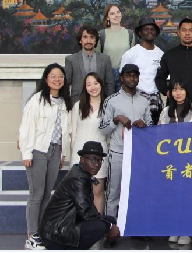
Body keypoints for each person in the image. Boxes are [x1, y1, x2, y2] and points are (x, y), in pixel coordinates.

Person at [18, 63, 72, 250]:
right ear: (46, 78)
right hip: (38, 150)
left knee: (48, 194)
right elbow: (26, 128)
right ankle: (31, 236)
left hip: (56, 151)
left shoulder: (64, 102)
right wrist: (27, 153)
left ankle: (40, 233)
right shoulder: (37, 100)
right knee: (37, 194)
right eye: (53, 76)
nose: (57, 79)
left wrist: (63, 154)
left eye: (61, 76)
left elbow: (65, 131)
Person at [38, 141, 120, 250]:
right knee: (100, 227)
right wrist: (109, 227)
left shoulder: (82, 174)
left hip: (68, 222)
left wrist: (109, 224)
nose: (97, 164)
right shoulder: (78, 179)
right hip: (55, 233)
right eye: (93, 159)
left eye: (100, 160)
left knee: (110, 220)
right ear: (82, 159)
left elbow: (88, 208)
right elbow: (86, 212)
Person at [99, 64, 152, 219]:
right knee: (113, 192)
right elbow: (102, 129)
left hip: (138, 154)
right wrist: (116, 119)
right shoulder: (111, 100)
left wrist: (145, 125)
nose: (132, 79)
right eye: (128, 75)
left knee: (138, 191)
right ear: (121, 78)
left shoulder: (145, 100)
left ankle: (136, 226)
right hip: (118, 153)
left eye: (135, 75)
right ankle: (111, 226)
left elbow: (151, 127)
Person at [159, 78, 192, 246]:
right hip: (171, 162)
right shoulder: (166, 112)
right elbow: (159, 136)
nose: (178, 93)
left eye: (181, 89)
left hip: (190, 162)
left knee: (189, 197)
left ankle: (187, 230)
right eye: (175, 89)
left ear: (187, 91)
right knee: (172, 196)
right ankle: (175, 227)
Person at [70, 72, 109, 214]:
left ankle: (98, 224)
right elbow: (73, 132)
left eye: (96, 83)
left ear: (101, 85)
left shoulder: (108, 105)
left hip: (99, 155)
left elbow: (110, 134)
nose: (93, 87)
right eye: (89, 84)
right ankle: (78, 225)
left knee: (97, 192)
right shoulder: (79, 106)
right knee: (79, 192)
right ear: (85, 88)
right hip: (80, 154)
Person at [120, 17, 164, 125]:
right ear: (140, 32)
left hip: (155, 99)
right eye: (146, 29)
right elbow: (122, 78)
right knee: (137, 130)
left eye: (152, 29)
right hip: (136, 97)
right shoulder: (131, 54)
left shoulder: (161, 54)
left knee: (155, 131)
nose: (150, 32)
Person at [65, 26, 114, 106]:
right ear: (80, 40)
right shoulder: (71, 59)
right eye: (85, 37)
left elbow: (110, 84)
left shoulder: (105, 59)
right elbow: (66, 84)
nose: (88, 41)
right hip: (77, 102)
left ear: (95, 40)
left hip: (101, 102)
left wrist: (109, 103)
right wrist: (67, 103)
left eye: (92, 37)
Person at [97, 4, 135, 92]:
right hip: (108, 75)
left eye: (118, 12)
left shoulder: (129, 34)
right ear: (107, 17)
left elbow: (132, 57)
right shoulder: (101, 34)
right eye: (112, 13)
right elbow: (98, 58)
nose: (116, 15)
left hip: (125, 74)